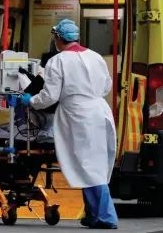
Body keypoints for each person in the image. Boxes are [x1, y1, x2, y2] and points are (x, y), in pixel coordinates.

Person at [20, 19, 118, 229]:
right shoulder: (96, 57)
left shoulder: (58, 61)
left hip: (78, 115)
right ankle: (93, 214)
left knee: (87, 166)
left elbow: (50, 96)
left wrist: (31, 101)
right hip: (100, 111)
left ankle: (106, 216)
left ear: (57, 38)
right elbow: (107, 85)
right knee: (93, 164)